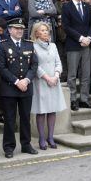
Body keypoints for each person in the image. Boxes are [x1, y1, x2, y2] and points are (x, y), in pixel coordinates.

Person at [0, 16, 38, 157]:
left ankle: (26, 144)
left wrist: (26, 80)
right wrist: (16, 81)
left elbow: (34, 65)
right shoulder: (2, 45)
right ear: (9, 30)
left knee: (25, 118)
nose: (19, 31)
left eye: (21, 28)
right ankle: (9, 147)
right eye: (16, 28)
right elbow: (1, 68)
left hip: (26, 87)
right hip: (9, 88)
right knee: (9, 119)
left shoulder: (29, 44)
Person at [28, 22, 66, 151]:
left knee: (52, 110)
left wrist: (56, 76)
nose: (45, 32)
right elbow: (35, 65)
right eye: (42, 30)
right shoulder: (33, 46)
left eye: (46, 30)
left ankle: (50, 137)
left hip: (54, 81)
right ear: (36, 33)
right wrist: (47, 78)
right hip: (41, 82)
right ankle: (41, 138)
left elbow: (58, 63)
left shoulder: (53, 46)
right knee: (41, 110)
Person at [61, 0, 91, 112]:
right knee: (72, 75)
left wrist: (89, 38)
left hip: (87, 45)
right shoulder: (67, 7)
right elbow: (66, 26)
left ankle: (84, 99)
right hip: (73, 44)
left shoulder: (87, 7)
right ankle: (73, 99)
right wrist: (81, 38)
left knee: (86, 74)